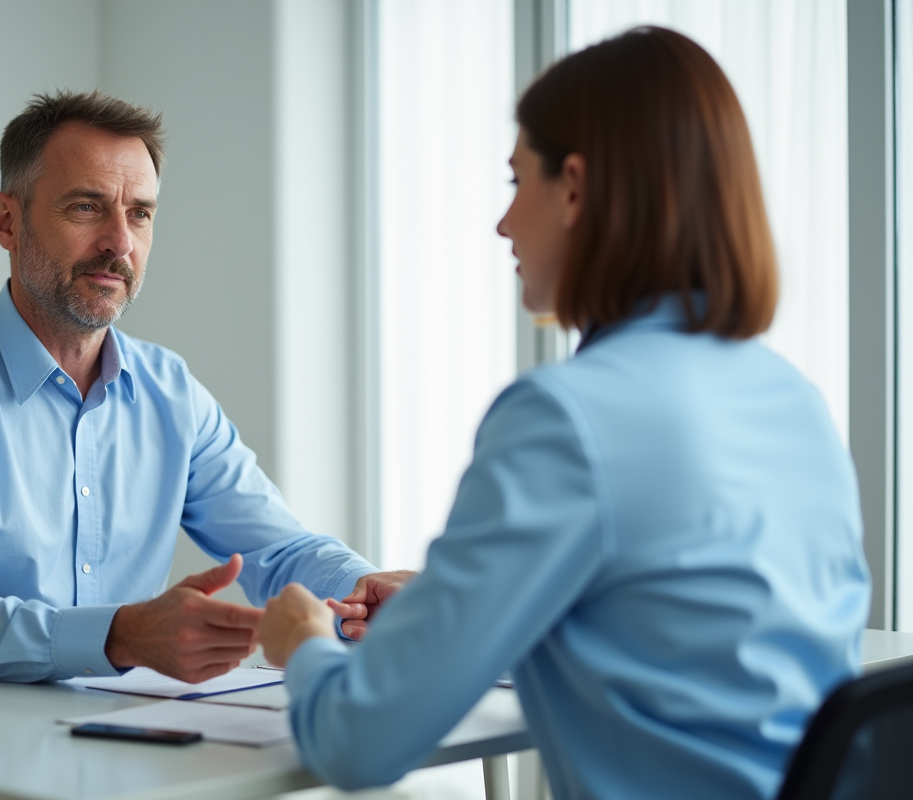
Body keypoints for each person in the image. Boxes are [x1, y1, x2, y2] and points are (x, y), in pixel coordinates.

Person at [258, 27, 871, 800]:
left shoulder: (567, 419)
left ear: (575, 188)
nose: (505, 223)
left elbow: (359, 742)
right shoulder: (792, 401)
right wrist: (456, 607)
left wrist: (306, 644)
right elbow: (679, 639)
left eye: (518, 183)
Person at [0, 90, 410, 693]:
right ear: (7, 221)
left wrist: (362, 585)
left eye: (139, 213)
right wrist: (121, 636)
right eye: (87, 207)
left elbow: (280, 550)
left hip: (101, 736)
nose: (120, 242)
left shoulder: (171, 392)